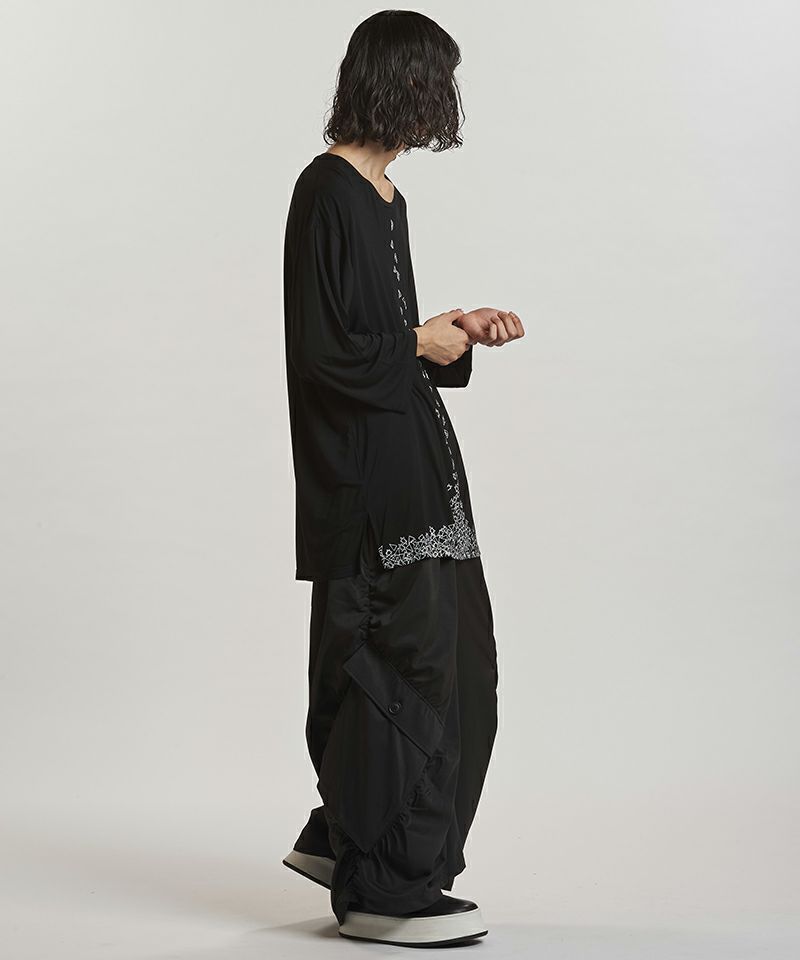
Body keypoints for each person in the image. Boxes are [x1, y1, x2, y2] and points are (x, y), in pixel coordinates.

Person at [281, 10, 524, 948]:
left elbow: (385, 339)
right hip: (368, 489)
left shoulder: (387, 198)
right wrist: (417, 342)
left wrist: (450, 331)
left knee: (463, 671)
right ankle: (382, 887)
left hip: (421, 467)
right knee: (400, 672)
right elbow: (323, 355)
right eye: (432, 81)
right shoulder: (325, 192)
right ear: (393, 81)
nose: (442, 101)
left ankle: (352, 843)